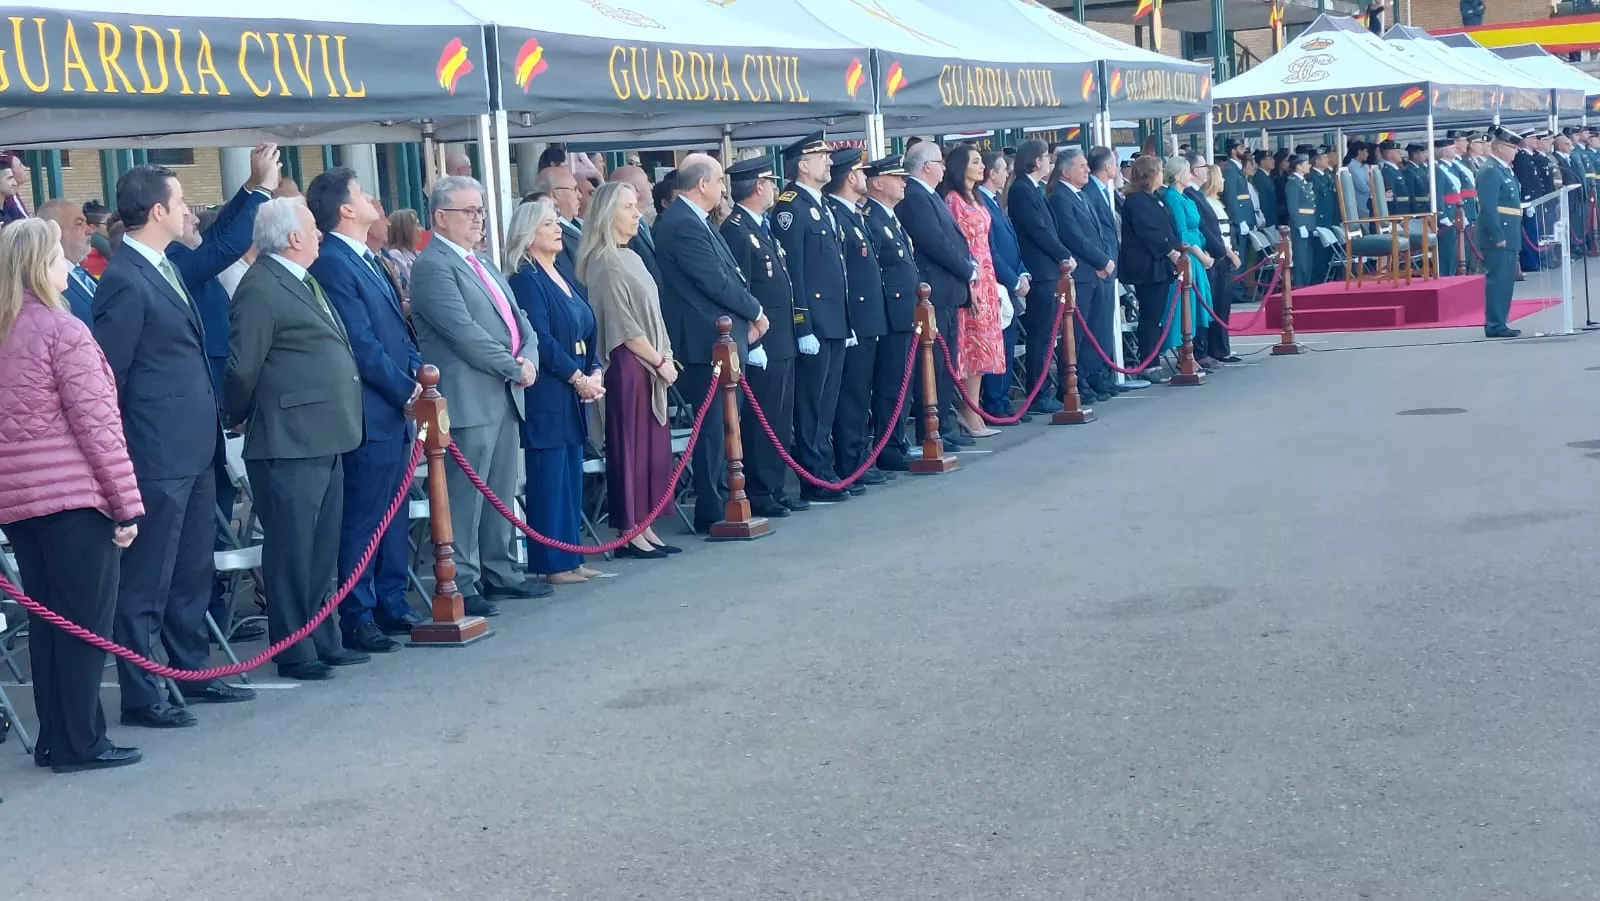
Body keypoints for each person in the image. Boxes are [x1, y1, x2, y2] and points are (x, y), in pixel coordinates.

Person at [93, 165, 254, 729]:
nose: (190, 211)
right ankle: (141, 692)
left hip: (195, 445)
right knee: (148, 579)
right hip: (156, 453)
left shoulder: (164, 266)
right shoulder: (124, 277)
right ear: (157, 211)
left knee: (191, 571)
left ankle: (192, 670)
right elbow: (110, 377)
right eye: (181, 201)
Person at [0, 219, 144, 773]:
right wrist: (126, 506)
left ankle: (54, 738)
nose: (69, 264)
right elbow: (99, 429)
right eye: (60, 254)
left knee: (47, 623)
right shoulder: (64, 331)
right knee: (84, 624)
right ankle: (82, 741)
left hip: (18, 504)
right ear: (42, 264)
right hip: (73, 499)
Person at [224, 198, 367, 680]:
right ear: (292, 237)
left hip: (325, 433)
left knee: (321, 548)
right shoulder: (261, 285)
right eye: (311, 226)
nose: (320, 233)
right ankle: (294, 648)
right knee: (292, 549)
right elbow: (242, 366)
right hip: (288, 438)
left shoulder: (302, 278)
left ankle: (323, 637)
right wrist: (238, 415)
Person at [410, 176, 543, 616]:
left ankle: (501, 570)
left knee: (501, 488)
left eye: (481, 211)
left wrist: (529, 357)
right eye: (469, 212)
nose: (479, 219)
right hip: (469, 396)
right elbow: (463, 333)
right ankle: (463, 580)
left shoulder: (482, 261)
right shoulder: (433, 266)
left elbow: (520, 320)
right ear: (440, 217)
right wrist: (514, 366)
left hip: (504, 392)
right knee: (466, 496)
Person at [305, 169, 423, 654]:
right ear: (345, 209)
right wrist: (405, 389)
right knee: (365, 515)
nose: (374, 198)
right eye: (362, 193)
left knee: (393, 512)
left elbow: (399, 331)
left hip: (394, 407)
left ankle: (391, 600)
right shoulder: (334, 263)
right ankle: (358, 612)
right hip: (370, 410)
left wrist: (418, 374)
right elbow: (361, 344)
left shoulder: (370, 258)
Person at [653, 153, 768, 532]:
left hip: (721, 337)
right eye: (719, 181)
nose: (723, 189)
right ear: (702, 184)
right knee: (715, 428)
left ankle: (726, 494)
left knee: (726, 423)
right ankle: (713, 504)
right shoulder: (681, 223)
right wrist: (755, 311)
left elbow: (729, 273)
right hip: (704, 341)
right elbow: (712, 280)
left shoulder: (696, 219)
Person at [503, 199, 605, 586]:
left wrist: (594, 368)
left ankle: (571, 555)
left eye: (557, 222)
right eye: (548, 224)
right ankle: (551, 562)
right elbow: (541, 339)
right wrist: (576, 376)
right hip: (549, 387)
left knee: (570, 472)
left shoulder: (562, 271)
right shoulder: (526, 280)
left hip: (576, 383)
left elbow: (586, 323)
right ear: (528, 234)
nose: (558, 229)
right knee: (549, 475)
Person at [582, 181, 684, 556]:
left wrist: (664, 356)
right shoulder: (605, 261)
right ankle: (629, 530)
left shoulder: (632, 256)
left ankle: (646, 524)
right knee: (630, 447)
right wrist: (658, 360)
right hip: (628, 366)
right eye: (628, 207)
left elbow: (653, 312)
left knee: (651, 449)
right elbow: (622, 326)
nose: (637, 213)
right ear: (608, 214)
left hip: (652, 362)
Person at [720, 155, 804, 519]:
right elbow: (740, 291)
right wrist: (751, 342)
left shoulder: (760, 227)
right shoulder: (737, 230)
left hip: (781, 337)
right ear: (758, 186)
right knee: (762, 419)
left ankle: (774, 486)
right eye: (770, 182)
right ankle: (759, 489)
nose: (773, 189)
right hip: (762, 341)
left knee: (779, 418)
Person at [772, 132, 852, 503]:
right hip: (815, 322)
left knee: (827, 401)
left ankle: (825, 468)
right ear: (803, 164)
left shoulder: (820, 204)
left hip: (834, 318)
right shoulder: (791, 208)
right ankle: (813, 475)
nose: (829, 162)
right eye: (822, 157)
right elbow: (795, 273)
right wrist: (802, 323)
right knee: (811, 403)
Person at [899, 141, 978, 450]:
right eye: (939, 162)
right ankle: (931, 428)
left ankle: (944, 424)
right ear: (926, 166)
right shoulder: (914, 197)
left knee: (946, 365)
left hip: (947, 292)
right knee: (933, 366)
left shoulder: (930, 195)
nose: (944, 168)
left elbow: (951, 238)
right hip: (934, 291)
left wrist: (968, 265)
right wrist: (967, 270)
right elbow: (935, 242)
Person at [825, 147, 892, 491]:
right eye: (861, 172)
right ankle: (850, 460)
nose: (865, 177)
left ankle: (860, 456)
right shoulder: (836, 213)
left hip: (867, 317)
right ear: (850, 177)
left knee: (861, 393)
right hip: (854, 317)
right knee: (851, 395)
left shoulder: (853, 213)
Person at [939, 144, 1004, 439]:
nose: (982, 167)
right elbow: (956, 245)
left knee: (984, 346)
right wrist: (969, 284)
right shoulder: (953, 200)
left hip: (986, 275)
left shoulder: (975, 197)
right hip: (970, 278)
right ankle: (967, 410)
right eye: (975, 161)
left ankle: (974, 409)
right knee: (971, 347)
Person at [860, 155, 921, 472]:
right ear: (878, 183)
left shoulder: (889, 217)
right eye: (897, 178)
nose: (903, 183)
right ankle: (889, 446)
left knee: (902, 382)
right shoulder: (872, 218)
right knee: (890, 384)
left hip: (905, 310)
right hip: (890, 311)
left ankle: (897, 441)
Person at [1008, 139, 1076, 417]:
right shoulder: (1022, 189)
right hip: (1040, 269)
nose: (1050, 162)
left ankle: (1045, 388)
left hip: (1048, 269)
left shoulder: (1033, 188)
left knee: (1049, 333)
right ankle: (1039, 392)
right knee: (1041, 334)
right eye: (1047, 157)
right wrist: (1063, 254)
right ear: (1036, 161)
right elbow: (1037, 229)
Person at [1050, 148, 1118, 402]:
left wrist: (1106, 259)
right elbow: (1073, 236)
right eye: (1081, 166)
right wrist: (1101, 260)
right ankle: (1071, 382)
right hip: (1081, 274)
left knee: (1095, 329)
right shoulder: (1060, 198)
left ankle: (1091, 376)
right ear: (1066, 171)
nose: (1087, 170)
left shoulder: (1083, 195)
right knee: (1076, 333)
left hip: (1096, 273)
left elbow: (1099, 233)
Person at [1118, 155, 1184, 383]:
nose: (1162, 174)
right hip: (1147, 267)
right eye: (1159, 170)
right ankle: (1149, 362)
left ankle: (1154, 358)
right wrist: (1170, 251)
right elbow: (1148, 231)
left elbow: (1167, 226)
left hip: (1160, 266)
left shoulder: (1155, 198)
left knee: (1156, 315)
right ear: (1150, 174)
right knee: (1150, 316)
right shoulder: (1136, 201)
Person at [976, 149, 1029, 420]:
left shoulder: (995, 200)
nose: (1007, 174)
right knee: (998, 345)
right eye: (1002, 169)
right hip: (996, 284)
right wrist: (1012, 279)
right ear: (991, 173)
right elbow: (991, 250)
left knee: (1008, 344)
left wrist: (1022, 272)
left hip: (1010, 280)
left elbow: (1011, 243)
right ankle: (995, 403)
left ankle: (1003, 400)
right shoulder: (981, 202)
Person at [1478, 128, 1524, 338]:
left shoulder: (1504, 170)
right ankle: (1495, 324)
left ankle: (1501, 322)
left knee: (1506, 281)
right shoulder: (1490, 170)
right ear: (1499, 147)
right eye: (1512, 147)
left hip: (1510, 231)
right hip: (1499, 234)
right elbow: (1488, 207)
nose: (1516, 151)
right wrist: (1497, 235)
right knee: (1498, 281)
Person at [1189, 160, 1233, 367]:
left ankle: (1219, 349)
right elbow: (1203, 228)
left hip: (1217, 254)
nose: (1206, 171)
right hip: (1210, 256)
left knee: (1220, 305)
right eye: (1203, 167)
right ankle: (1205, 351)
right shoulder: (1194, 195)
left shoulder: (1202, 197)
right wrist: (1222, 251)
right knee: (1210, 305)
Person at [35, 199, 98, 323]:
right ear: (55, 232)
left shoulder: (80, 272)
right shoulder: (47, 284)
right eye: (79, 224)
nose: (90, 230)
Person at [609, 165, 662, 285]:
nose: (651, 186)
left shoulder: (641, 223)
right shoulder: (621, 230)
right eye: (647, 182)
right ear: (636, 189)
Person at [1432, 137, 1464, 277]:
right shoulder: (1439, 169)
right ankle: (1445, 274)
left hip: (1455, 210)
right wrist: (1442, 214)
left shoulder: (1452, 167)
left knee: (1454, 248)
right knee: (1447, 249)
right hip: (1447, 212)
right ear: (1444, 151)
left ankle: (1451, 273)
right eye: (1452, 148)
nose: (1455, 150)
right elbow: (1438, 194)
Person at [383, 208, 424, 302]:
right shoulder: (395, 255)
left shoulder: (418, 254)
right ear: (405, 230)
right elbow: (411, 285)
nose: (422, 229)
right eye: (417, 225)